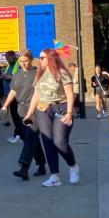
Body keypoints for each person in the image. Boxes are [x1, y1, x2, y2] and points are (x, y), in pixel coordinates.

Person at [23, 48, 79, 187]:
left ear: (50, 58)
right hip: (43, 109)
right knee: (47, 141)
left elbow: (70, 94)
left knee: (59, 141)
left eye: (42, 58)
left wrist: (70, 112)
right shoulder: (40, 74)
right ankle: (55, 176)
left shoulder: (62, 73)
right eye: (39, 58)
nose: (39, 60)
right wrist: (29, 113)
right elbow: (37, 94)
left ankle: (73, 166)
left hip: (61, 107)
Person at [7, 51, 48, 180]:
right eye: (21, 61)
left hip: (35, 110)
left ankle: (24, 167)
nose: (23, 64)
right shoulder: (17, 74)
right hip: (22, 110)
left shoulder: (38, 73)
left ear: (31, 60)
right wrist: (5, 105)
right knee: (30, 138)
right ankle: (41, 164)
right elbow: (13, 91)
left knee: (30, 136)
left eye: (26, 61)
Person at [1, 51, 22, 140]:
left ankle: (20, 135)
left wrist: (8, 77)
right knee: (13, 115)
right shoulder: (9, 65)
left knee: (17, 115)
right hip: (9, 93)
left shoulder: (18, 64)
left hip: (16, 94)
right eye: (6, 58)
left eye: (8, 57)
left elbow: (20, 78)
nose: (7, 59)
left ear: (13, 56)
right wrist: (3, 76)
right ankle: (17, 133)